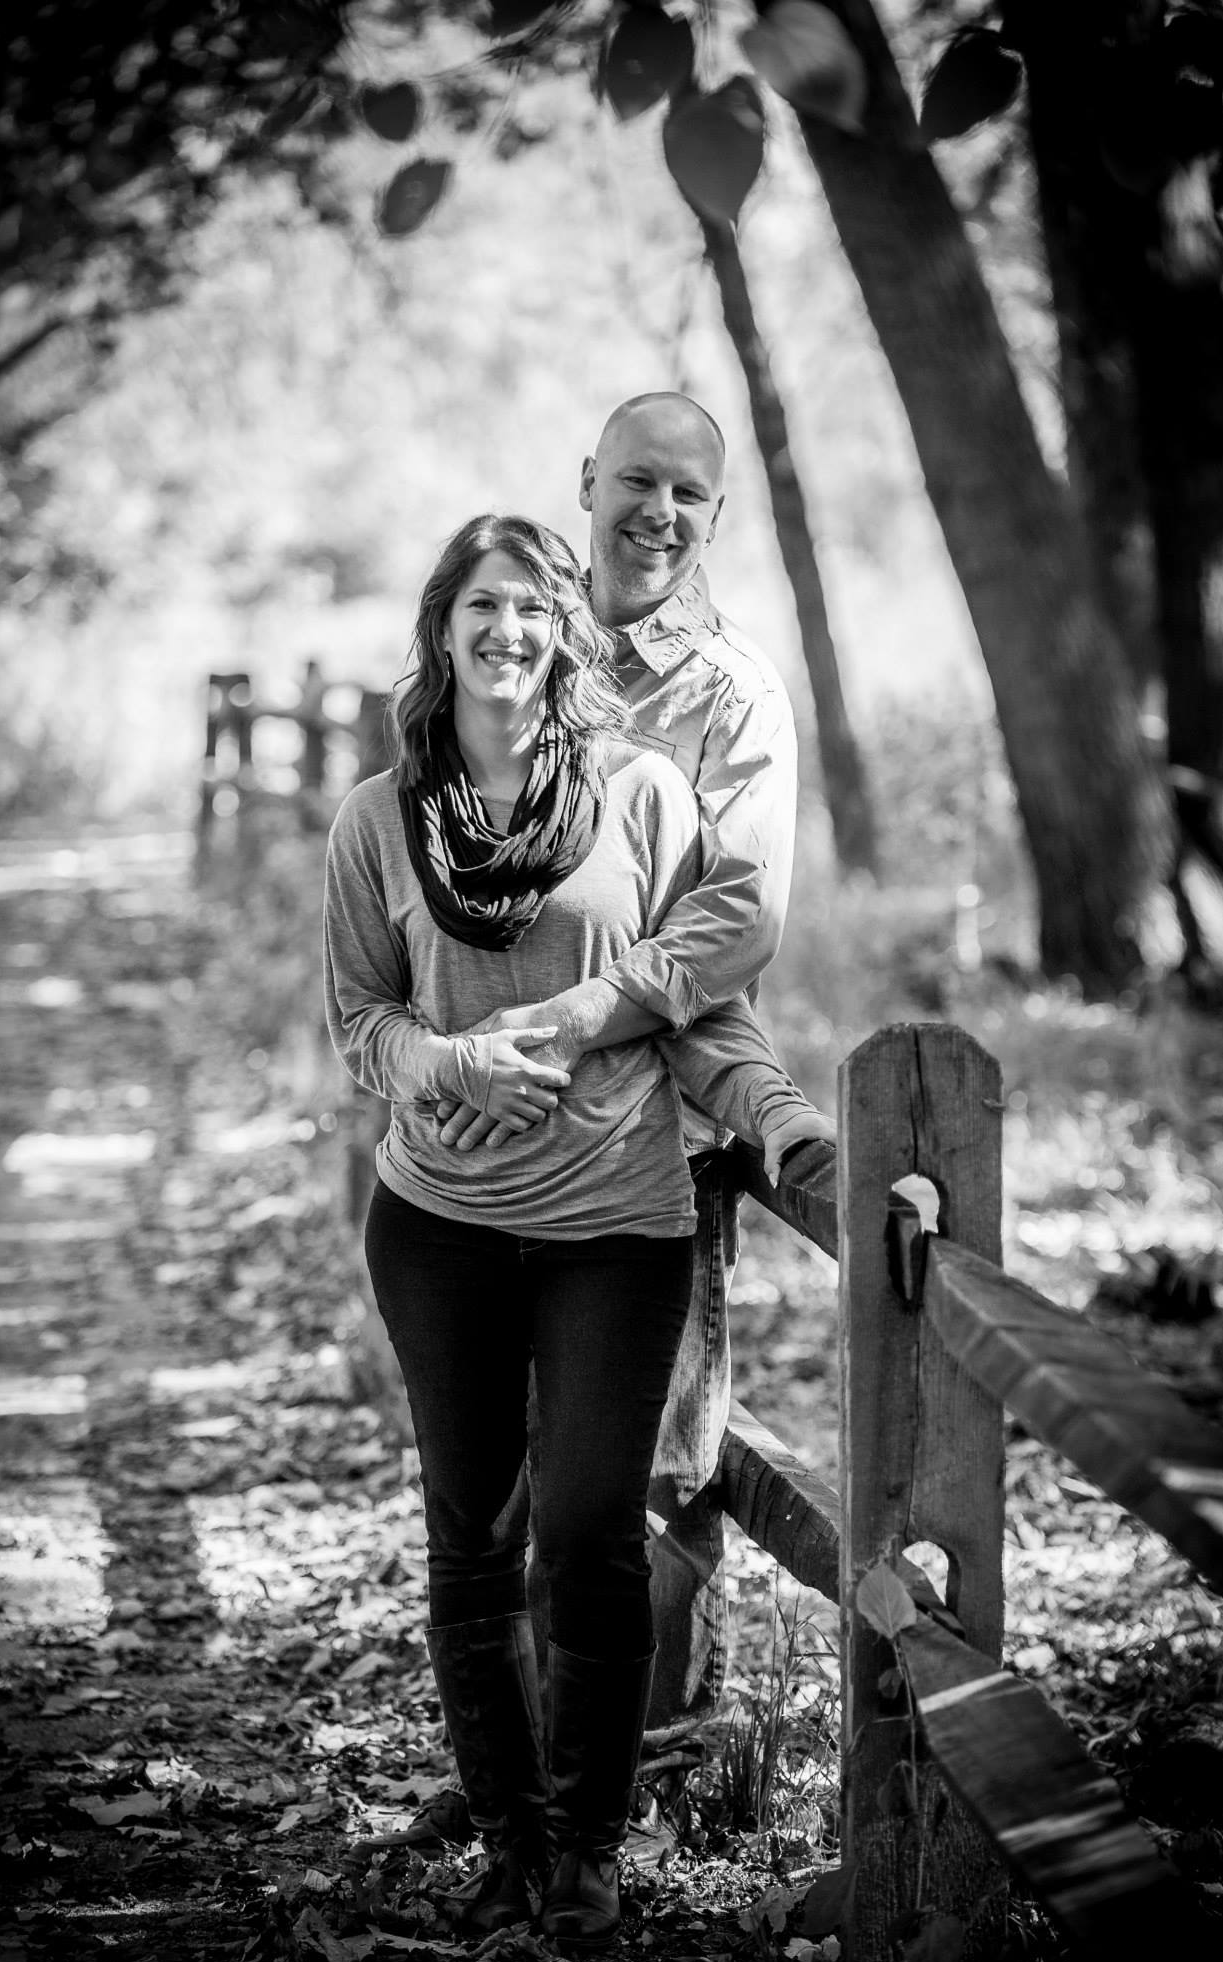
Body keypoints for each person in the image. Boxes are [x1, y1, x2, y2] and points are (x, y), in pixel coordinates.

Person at [324, 512, 824, 1946]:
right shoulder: (378, 820)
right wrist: (452, 1067)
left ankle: (588, 1848)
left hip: (616, 1224)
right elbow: (361, 1021)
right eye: (483, 606)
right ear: (443, 628)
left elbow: (699, 1006)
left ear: (564, 634)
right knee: (474, 1541)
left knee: (594, 1531)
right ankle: (509, 1839)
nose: (510, 633)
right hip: (440, 1228)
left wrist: (784, 1120)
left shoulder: (642, 795)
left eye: (536, 609)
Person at [432, 394, 801, 1764]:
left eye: (689, 494)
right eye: (637, 480)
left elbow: (735, 919)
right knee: (507, 1477)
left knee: (649, 1477)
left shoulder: (731, 695)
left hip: (655, 1145)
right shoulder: (519, 636)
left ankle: (648, 1772)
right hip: (486, 1136)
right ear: (588, 481)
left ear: (717, 515)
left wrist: (579, 1015)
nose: (658, 513)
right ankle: (529, 1777)